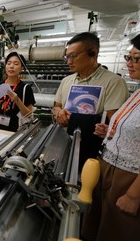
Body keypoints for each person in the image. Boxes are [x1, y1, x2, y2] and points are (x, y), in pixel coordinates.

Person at [81, 31, 140, 241]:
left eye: (136, 58)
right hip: (108, 168)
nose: (129, 63)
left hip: (130, 179)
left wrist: (134, 196)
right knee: (103, 231)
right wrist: (110, 131)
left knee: (120, 237)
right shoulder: (139, 92)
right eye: (129, 57)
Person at [52, 32, 129, 169]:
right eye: (67, 57)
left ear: (93, 53)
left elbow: (113, 123)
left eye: (73, 56)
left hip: (92, 151)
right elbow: (56, 107)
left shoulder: (113, 82)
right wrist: (59, 113)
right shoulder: (66, 81)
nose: (69, 61)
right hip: (64, 144)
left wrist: (76, 119)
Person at [0, 51, 35, 131]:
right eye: (9, 63)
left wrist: (17, 100)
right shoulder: (0, 86)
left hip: (15, 131)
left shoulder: (25, 88)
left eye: (16, 64)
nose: (11, 66)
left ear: (22, 68)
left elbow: (29, 114)